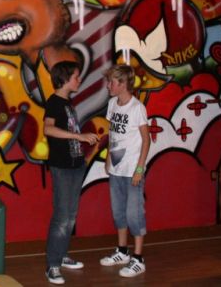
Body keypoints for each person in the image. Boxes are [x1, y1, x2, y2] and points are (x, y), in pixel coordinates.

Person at [44, 60, 98, 285]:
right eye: (76, 76)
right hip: (63, 167)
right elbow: (48, 129)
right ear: (65, 79)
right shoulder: (54, 102)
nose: (79, 80)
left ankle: (62, 254)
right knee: (62, 217)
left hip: (76, 165)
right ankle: (52, 265)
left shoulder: (67, 102)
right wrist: (79, 136)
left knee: (71, 216)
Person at [99, 64, 150, 278]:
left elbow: (146, 140)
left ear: (122, 84)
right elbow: (113, 134)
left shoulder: (137, 108)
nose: (108, 86)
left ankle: (138, 258)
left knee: (133, 213)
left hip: (132, 170)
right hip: (116, 169)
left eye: (111, 82)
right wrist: (108, 158)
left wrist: (139, 168)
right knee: (118, 211)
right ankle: (122, 251)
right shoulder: (112, 104)